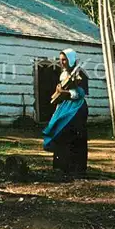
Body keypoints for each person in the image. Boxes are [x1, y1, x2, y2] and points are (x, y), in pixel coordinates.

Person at [43, 48, 89, 176]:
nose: (62, 62)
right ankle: (61, 166)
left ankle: (77, 167)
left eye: (64, 59)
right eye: (60, 60)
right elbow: (61, 90)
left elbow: (81, 93)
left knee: (75, 135)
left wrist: (65, 93)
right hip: (65, 106)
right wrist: (59, 91)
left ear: (71, 60)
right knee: (59, 130)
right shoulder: (63, 75)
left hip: (77, 109)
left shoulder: (80, 74)